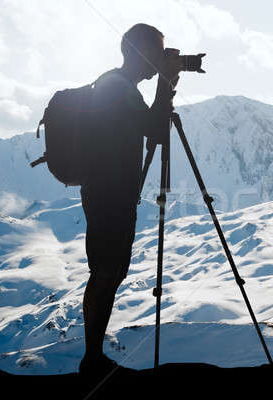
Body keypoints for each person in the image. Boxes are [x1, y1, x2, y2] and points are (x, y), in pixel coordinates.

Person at [78, 23, 182, 376]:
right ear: (141, 53)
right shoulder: (117, 90)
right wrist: (167, 85)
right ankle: (91, 359)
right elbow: (155, 129)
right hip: (109, 196)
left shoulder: (116, 86)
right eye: (157, 55)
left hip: (111, 193)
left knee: (110, 272)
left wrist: (166, 82)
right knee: (106, 273)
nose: (159, 63)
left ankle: (93, 357)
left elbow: (146, 129)